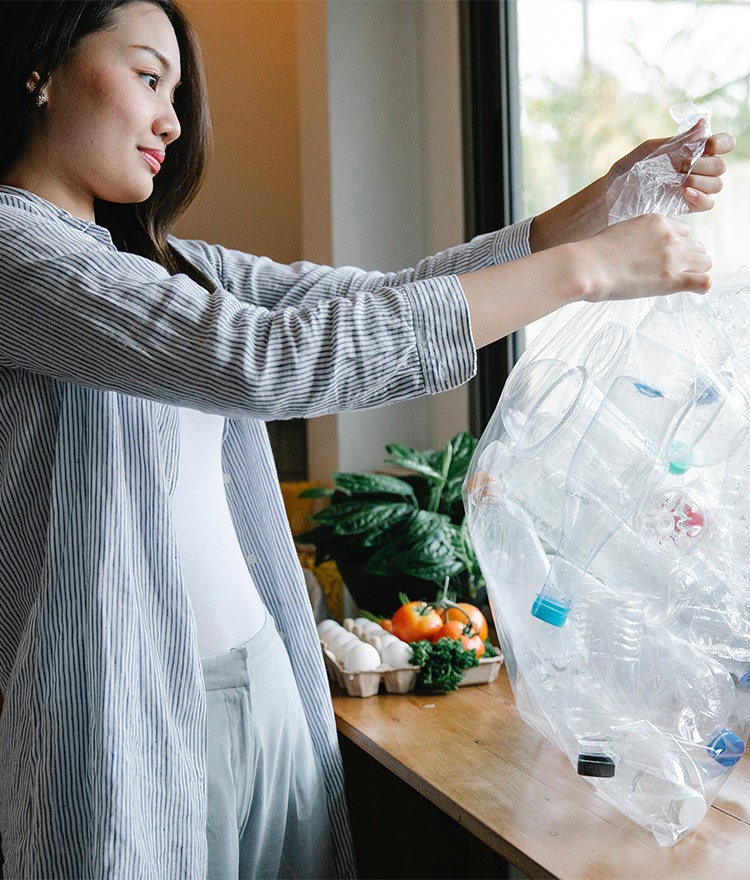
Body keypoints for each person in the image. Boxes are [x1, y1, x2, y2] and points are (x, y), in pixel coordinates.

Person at [0, 1, 734, 878]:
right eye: (149, 77)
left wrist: (591, 211)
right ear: (40, 66)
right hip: (114, 718)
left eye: (178, 93)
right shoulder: (18, 256)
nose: (173, 119)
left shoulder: (175, 266)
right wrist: (585, 272)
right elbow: (262, 362)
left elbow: (380, 300)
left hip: (266, 680)